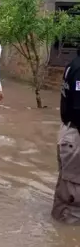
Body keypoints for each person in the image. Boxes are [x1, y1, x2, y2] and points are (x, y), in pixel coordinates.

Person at [52, 48, 80, 224]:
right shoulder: (79, 69)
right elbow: (78, 109)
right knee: (73, 193)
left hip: (71, 132)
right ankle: (64, 241)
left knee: (68, 188)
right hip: (76, 135)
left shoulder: (74, 64)